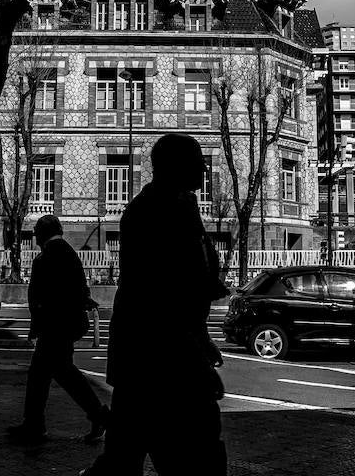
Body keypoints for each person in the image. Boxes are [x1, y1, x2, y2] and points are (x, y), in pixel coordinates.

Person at [82, 133, 229, 476]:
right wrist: (195, 350)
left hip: (159, 357)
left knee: (130, 450)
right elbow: (162, 295)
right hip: (156, 356)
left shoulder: (181, 206)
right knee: (188, 452)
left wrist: (201, 338)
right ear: (175, 166)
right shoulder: (154, 212)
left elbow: (191, 286)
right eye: (197, 160)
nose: (203, 168)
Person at [8, 214, 109, 445]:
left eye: (35, 233)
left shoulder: (47, 257)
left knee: (53, 373)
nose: (34, 238)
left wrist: (37, 326)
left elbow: (42, 297)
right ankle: (36, 423)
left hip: (54, 327)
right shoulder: (68, 252)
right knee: (50, 373)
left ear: (43, 233)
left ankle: (98, 416)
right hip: (65, 325)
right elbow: (78, 288)